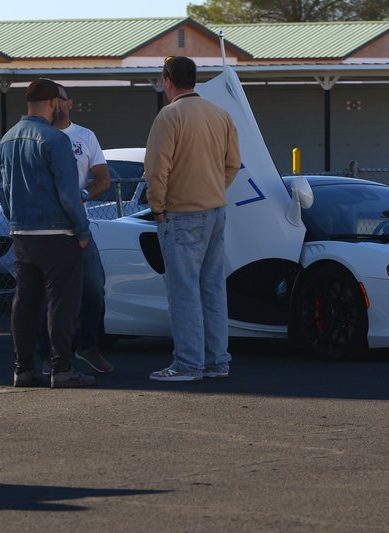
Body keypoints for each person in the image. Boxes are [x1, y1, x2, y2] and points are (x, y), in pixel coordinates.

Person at [145, 56, 241, 382]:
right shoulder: (220, 114)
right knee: (212, 289)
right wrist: (213, 189)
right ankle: (217, 361)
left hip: (181, 214)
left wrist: (158, 208)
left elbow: (157, 170)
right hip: (216, 211)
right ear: (194, 80)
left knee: (183, 292)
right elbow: (233, 164)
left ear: (167, 80)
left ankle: (187, 364)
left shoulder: (169, 116)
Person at [0, 77, 96, 388]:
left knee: (25, 302)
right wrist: (81, 230)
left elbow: (4, 194)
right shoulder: (55, 139)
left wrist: (17, 223)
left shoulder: (5, 141)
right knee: (62, 303)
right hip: (58, 234)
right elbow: (69, 193)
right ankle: (62, 369)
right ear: (53, 103)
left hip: (22, 233)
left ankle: (24, 368)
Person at [36, 83, 114, 376]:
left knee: (93, 287)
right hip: (46, 229)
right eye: (53, 101)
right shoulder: (38, 136)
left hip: (79, 227)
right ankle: (49, 355)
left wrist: (83, 194)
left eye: (62, 100)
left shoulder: (85, 136)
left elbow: (103, 178)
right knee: (49, 295)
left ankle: (88, 345)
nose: (58, 105)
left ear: (70, 104)